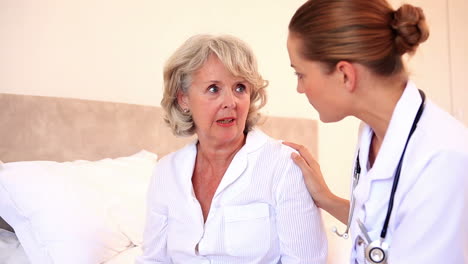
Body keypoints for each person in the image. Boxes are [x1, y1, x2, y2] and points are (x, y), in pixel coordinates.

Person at [283, 0, 468, 263]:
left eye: (300, 74)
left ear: (345, 75)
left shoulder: (443, 159)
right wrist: (326, 199)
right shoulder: (371, 131)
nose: (300, 89)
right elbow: (385, 225)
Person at [136, 34, 327, 264]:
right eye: (214, 89)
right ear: (184, 99)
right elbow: (153, 260)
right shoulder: (166, 171)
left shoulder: (284, 165)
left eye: (240, 88)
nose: (231, 102)